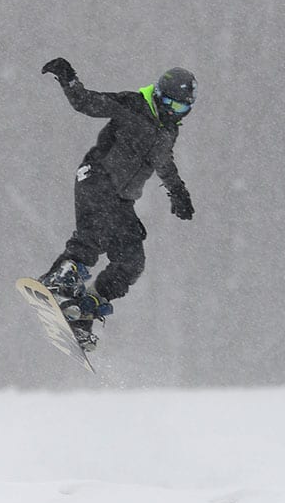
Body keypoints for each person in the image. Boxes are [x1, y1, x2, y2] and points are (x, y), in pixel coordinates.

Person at [37, 58, 197, 350]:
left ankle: (84, 309)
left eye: (180, 109)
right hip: (97, 177)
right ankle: (59, 280)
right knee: (96, 232)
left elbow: (164, 162)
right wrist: (68, 78)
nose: (172, 112)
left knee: (131, 261)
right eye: (168, 104)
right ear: (158, 95)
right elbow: (87, 103)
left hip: (122, 198)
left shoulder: (168, 131)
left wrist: (178, 193)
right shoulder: (133, 105)